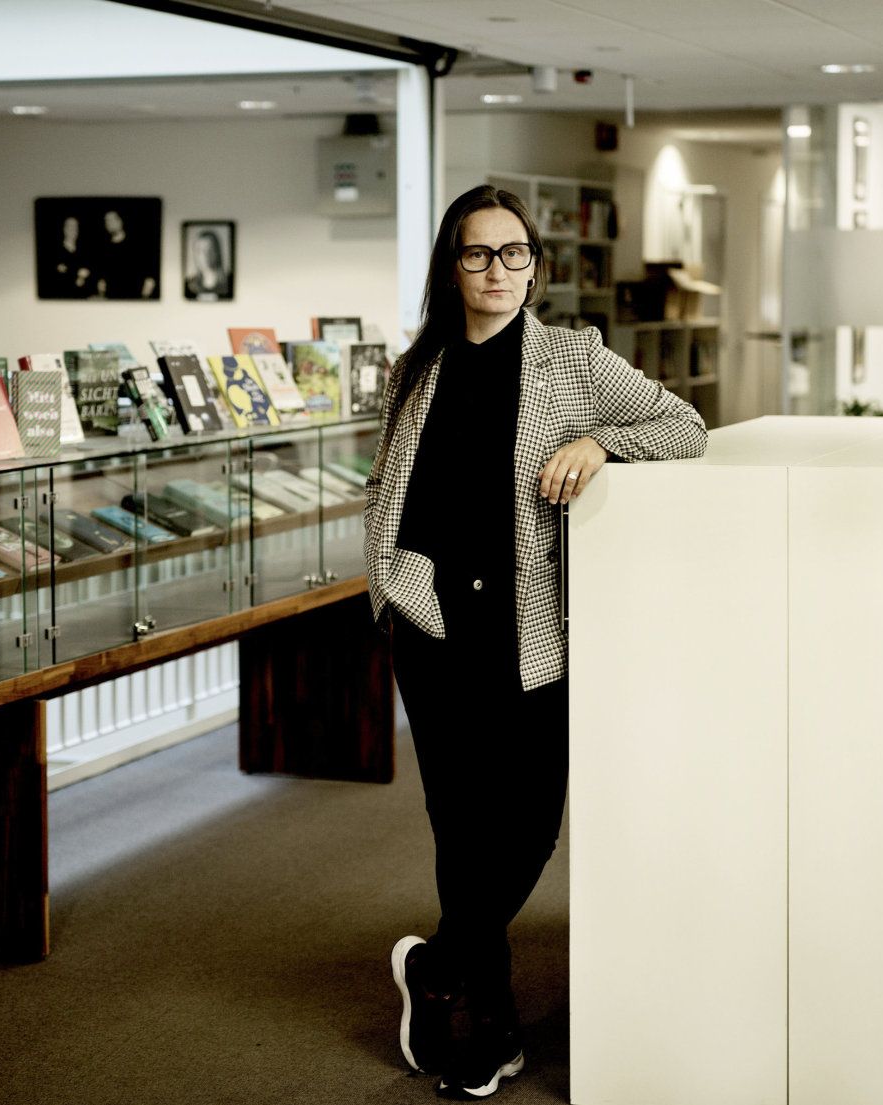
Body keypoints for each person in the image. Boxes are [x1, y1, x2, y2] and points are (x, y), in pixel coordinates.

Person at [364, 185, 707, 1099]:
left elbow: (685, 426)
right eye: (477, 253)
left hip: (529, 628)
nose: (497, 270)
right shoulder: (413, 370)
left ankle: (437, 963)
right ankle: (491, 1032)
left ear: (534, 266)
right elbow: (384, 487)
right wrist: (388, 585)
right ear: (451, 267)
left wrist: (600, 443)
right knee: (461, 827)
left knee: (527, 823)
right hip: (431, 622)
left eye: (513, 253)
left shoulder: (572, 358)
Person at [184, 228, 232, 301]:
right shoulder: (189, 285)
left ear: (217, 252)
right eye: (200, 251)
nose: (204, 255)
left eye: (209, 250)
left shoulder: (230, 281)